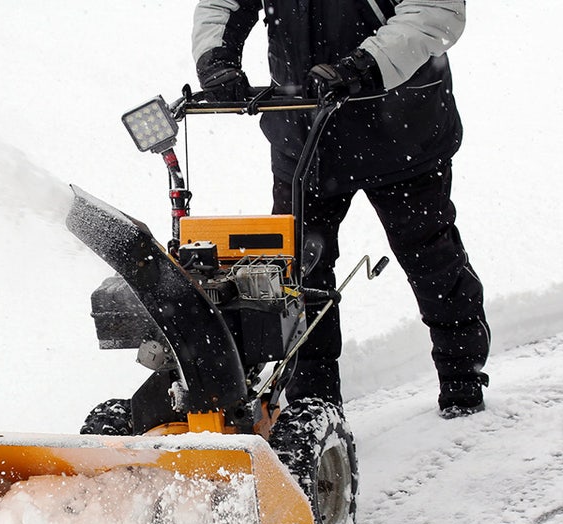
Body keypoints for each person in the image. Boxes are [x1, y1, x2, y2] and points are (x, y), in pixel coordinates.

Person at [192, 0, 490, 418]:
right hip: (303, 133)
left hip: (401, 131)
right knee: (298, 276)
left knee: (430, 259)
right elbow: (224, 3)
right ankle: (314, 407)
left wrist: (365, 65)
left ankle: (462, 378)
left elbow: (434, 10)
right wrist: (216, 58)